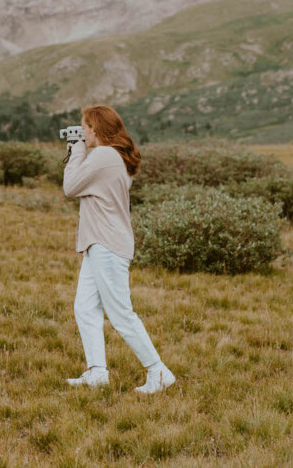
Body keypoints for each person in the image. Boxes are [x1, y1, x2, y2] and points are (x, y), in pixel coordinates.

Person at [62, 105, 175, 394]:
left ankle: (158, 371)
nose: (82, 132)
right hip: (99, 242)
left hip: (106, 244)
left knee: (121, 313)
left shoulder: (103, 156)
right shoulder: (115, 157)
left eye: (84, 127)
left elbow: (70, 187)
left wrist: (76, 151)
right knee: (85, 308)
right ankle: (97, 372)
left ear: (96, 129)